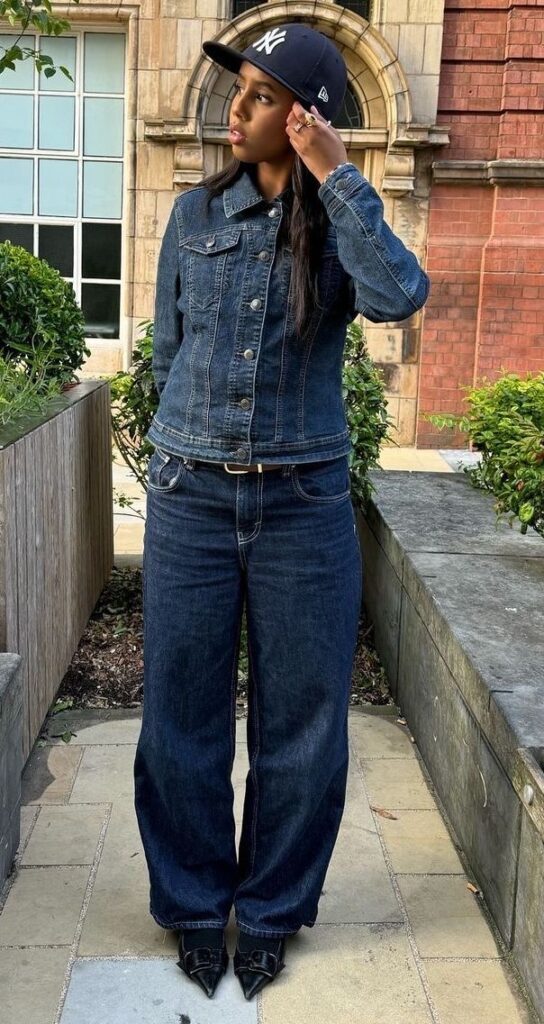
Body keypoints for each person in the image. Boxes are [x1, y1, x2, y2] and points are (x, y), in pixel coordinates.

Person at [133, 21, 430, 1003]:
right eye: (240, 91)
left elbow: (400, 295)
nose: (238, 110)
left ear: (306, 117)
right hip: (190, 498)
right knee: (180, 715)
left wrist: (338, 174)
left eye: (262, 96)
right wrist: (183, 448)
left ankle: (266, 914)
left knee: (303, 727)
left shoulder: (337, 222)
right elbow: (168, 347)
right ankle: (191, 904)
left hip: (304, 505)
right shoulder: (194, 213)